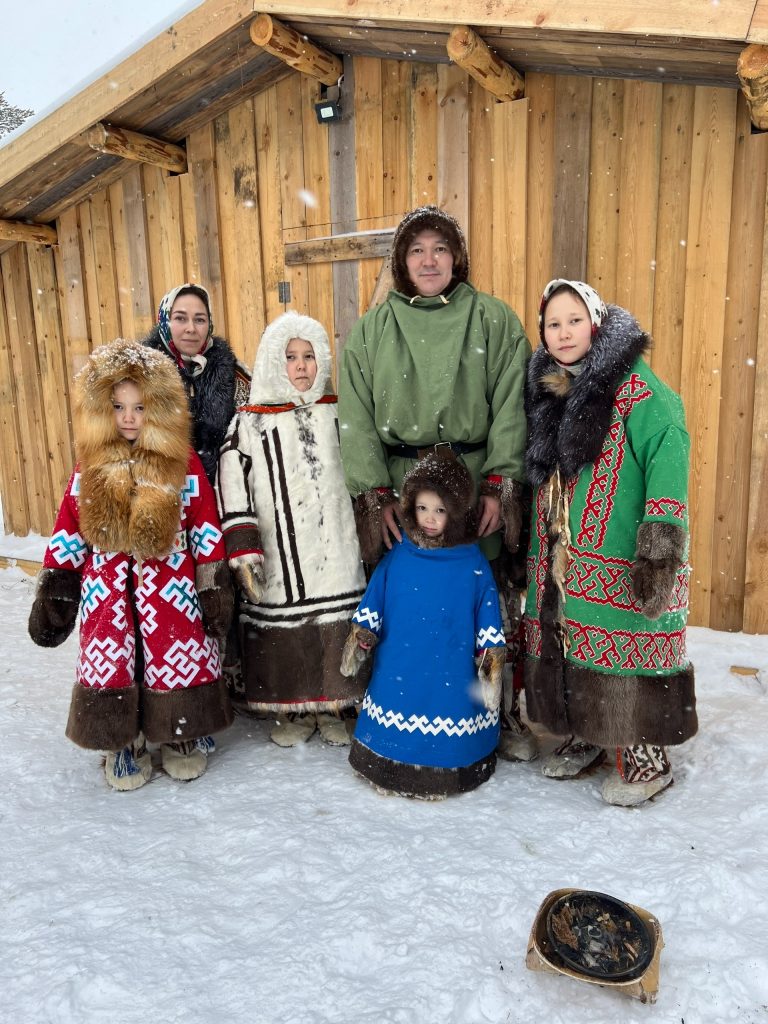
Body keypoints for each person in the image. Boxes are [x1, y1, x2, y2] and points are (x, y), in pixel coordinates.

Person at [337, 204, 536, 762]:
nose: (429, 261)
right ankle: (399, 709)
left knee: (483, 602)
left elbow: (511, 407)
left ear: (457, 258)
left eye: (441, 249)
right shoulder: (372, 331)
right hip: (404, 488)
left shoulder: (494, 320)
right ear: (401, 262)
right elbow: (355, 418)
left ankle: (492, 712)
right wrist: (375, 495)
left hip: (472, 484)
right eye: (417, 250)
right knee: (408, 605)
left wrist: (499, 483)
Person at [28, 340, 234, 790]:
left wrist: (213, 581)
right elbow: (69, 528)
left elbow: (204, 524)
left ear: (157, 408)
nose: (128, 417)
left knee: (176, 657)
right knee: (114, 662)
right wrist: (58, 585)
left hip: (170, 592)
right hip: (109, 592)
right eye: (118, 407)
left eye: (139, 407)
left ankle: (180, 728)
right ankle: (122, 739)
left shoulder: (183, 463)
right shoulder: (88, 467)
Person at [523, 279, 697, 806]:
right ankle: (589, 731)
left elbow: (669, 464)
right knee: (571, 635)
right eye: (553, 323)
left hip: (622, 551)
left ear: (596, 324)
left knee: (628, 642)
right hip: (567, 551)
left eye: (574, 320)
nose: (563, 332)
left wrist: (659, 552)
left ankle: (645, 753)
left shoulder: (645, 395)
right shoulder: (552, 389)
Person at [216, 311, 368, 747]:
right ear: (272, 361)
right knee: (287, 626)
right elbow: (232, 483)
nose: (301, 366)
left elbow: (364, 469)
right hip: (279, 553)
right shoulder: (250, 422)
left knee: (339, 621)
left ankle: (337, 704)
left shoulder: (339, 414)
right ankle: (294, 707)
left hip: (337, 550)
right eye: (290, 357)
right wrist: (243, 546)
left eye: (309, 356)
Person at [341, 451, 507, 799]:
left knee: (450, 705)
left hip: (450, 667)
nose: (430, 518)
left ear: (456, 512)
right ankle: (387, 756)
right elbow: (376, 596)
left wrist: (490, 656)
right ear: (410, 507)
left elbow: (487, 611)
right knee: (396, 698)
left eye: (440, 510)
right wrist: (363, 633)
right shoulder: (400, 553)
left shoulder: (471, 562)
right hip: (401, 662)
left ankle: (449, 765)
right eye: (422, 508)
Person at [143, 283, 250, 704]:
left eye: (200, 319)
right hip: (163, 502)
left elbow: (251, 429)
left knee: (219, 589)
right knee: (169, 601)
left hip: (219, 499)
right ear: (164, 321)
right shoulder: (142, 372)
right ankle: (168, 691)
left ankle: (226, 681)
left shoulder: (231, 374)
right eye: (181, 318)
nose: (191, 327)